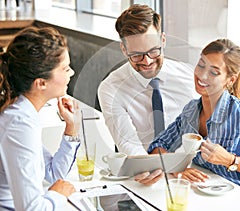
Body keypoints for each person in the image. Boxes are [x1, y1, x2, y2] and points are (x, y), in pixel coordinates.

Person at [146, 38, 240, 199]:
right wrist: (178, 168)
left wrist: (230, 160)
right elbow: (158, 145)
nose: (202, 75)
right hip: (207, 198)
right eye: (201, 65)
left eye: (214, 72)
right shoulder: (191, 110)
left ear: (230, 79)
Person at [98, 4, 197, 156]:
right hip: (143, 169)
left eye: (153, 51)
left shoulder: (189, 77)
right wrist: (164, 168)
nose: (147, 61)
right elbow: (128, 143)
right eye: (136, 55)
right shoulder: (111, 88)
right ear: (124, 50)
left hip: (190, 167)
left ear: (163, 40)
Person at [0, 26, 80, 210]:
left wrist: (71, 127)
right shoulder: (18, 124)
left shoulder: (21, 112)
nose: (72, 73)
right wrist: (58, 195)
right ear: (41, 83)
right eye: (65, 68)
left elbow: (53, 174)